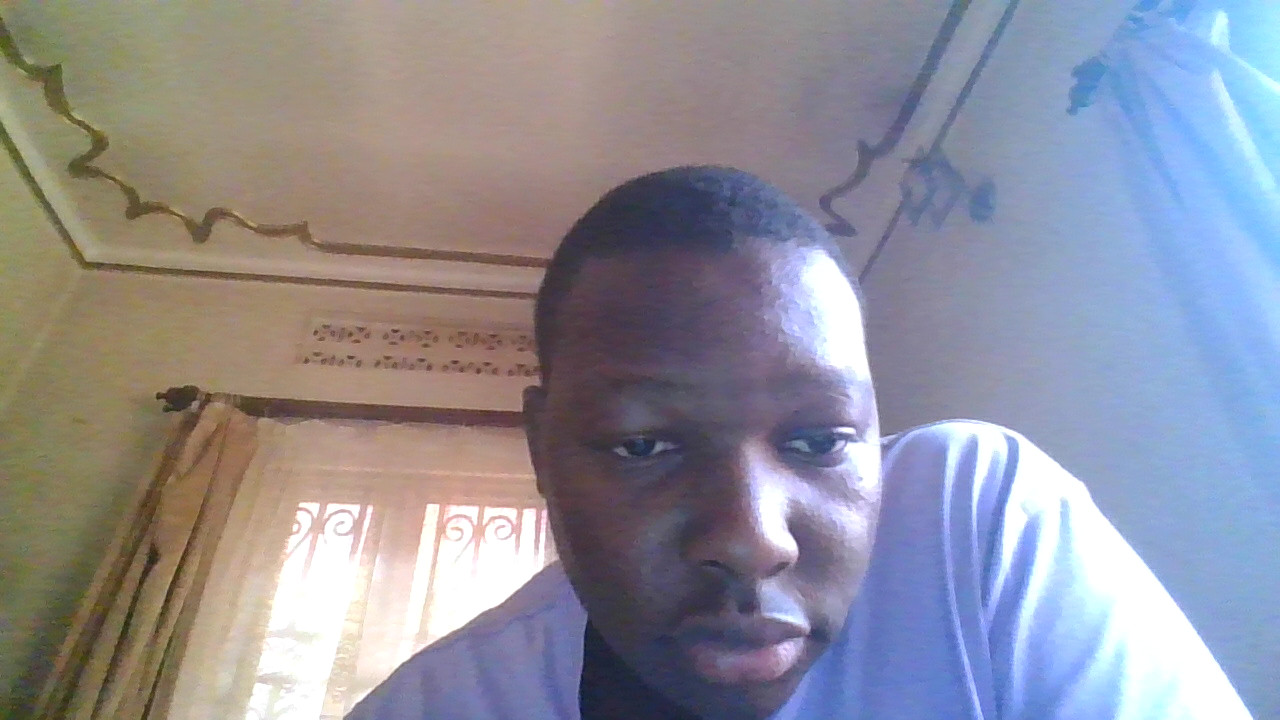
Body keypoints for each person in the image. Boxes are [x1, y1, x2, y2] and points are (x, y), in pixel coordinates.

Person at [347, 166, 1251, 719]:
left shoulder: (974, 523)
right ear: (543, 452)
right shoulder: (439, 706)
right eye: (644, 446)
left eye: (819, 441)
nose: (752, 541)